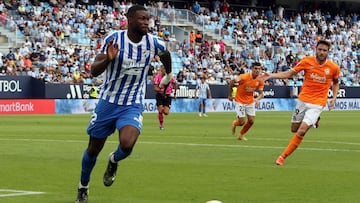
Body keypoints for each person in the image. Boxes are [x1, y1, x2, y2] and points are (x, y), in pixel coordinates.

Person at [75, 5, 173, 203]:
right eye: (141, 19)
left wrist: (169, 74)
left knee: (127, 145)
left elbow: (166, 55)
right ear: (129, 19)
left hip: (132, 103)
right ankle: (83, 187)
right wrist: (108, 59)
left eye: (148, 19)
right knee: (93, 150)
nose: (146, 22)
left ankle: (114, 160)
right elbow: (94, 70)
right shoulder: (114, 39)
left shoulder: (154, 43)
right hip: (107, 103)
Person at [261, 39, 340, 166]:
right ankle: (315, 120)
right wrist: (271, 75)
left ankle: (282, 157)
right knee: (294, 129)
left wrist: (334, 98)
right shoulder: (307, 61)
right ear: (316, 50)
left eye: (324, 50)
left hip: (318, 103)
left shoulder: (333, 67)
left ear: (328, 52)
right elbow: (290, 73)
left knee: (301, 131)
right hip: (303, 100)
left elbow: (336, 83)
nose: (321, 52)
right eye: (319, 49)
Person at [228, 62, 264, 141]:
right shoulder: (243, 77)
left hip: (250, 101)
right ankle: (235, 123)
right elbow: (231, 82)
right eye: (255, 68)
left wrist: (257, 99)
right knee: (241, 122)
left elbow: (261, 94)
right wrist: (230, 95)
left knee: (251, 121)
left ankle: (241, 135)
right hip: (239, 100)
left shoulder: (260, 80)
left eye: (259, 69)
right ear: (252, 69)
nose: (257, 70)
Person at [153, 65, 177, 130]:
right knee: (160, 110)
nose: (164, 70)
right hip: (160, 95)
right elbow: (155, 88)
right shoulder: (158, 76)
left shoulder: (170, 76)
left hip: (168, 95)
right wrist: (160, 90)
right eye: (163, 69)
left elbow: (175, 84)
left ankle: (161, 113)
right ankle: (161, 124)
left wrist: (175, 93)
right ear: (161, 69)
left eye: (165, 69)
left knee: (166, 112)